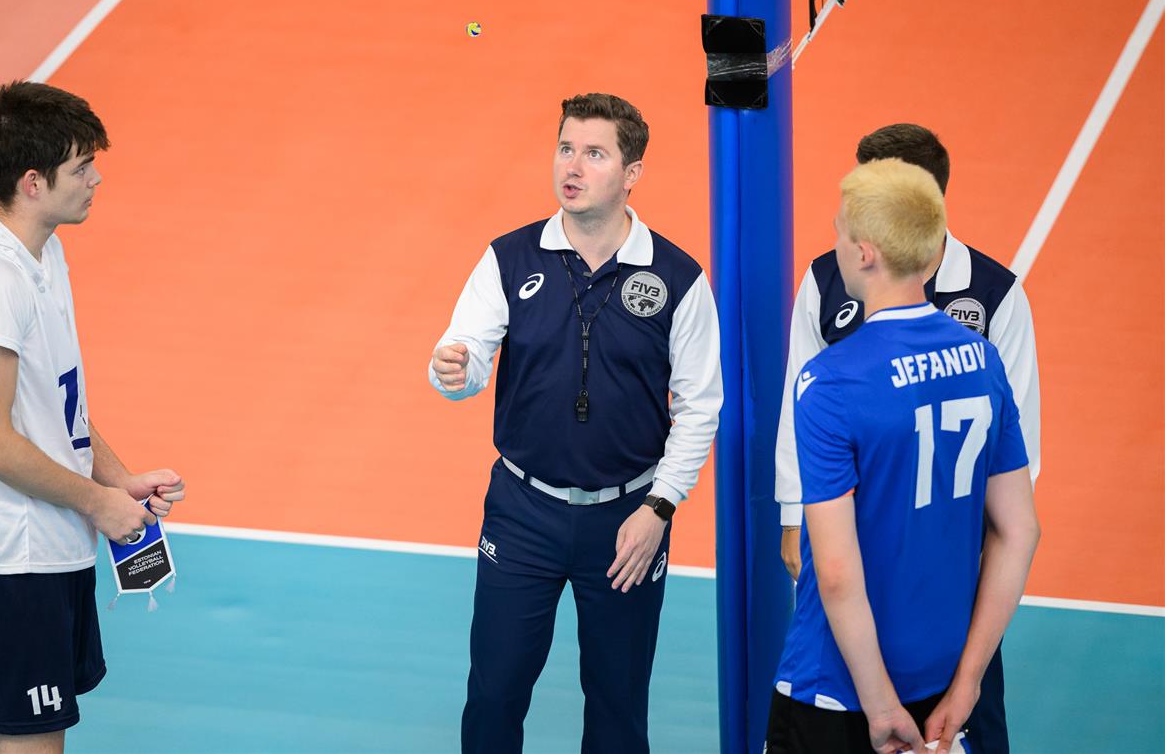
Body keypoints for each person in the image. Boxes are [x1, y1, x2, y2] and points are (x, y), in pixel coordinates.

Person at [429, 93, 722, 754]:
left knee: (619, 708)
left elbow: (700, 405)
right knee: (494, 693)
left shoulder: (678, 279)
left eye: (594, 153)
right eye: (566, 148)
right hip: (521, 513)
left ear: (632, 172)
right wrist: (453, 370)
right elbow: (465, 354)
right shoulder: (509, 258)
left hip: (627, 524)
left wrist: (659, 508)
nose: (573, 165)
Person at [0, 81, 186, 754]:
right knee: (32, 744)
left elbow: (54, 404)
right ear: (33, 182)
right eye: (82, 167)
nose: (96, 179)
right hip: (11, 559)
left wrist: (118, 480)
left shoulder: (43, 255)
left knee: (28, 739)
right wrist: (99, 504)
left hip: (51, 546)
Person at [775, 123, 1040, 751]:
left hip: (837, 681)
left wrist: (879, 706)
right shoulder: (981, 358)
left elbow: (835, 573)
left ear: (866, 252)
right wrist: (968, 683)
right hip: (946, 658)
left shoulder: (833, 381)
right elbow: (1021, 528)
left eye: (841, 228)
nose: (834, 239)